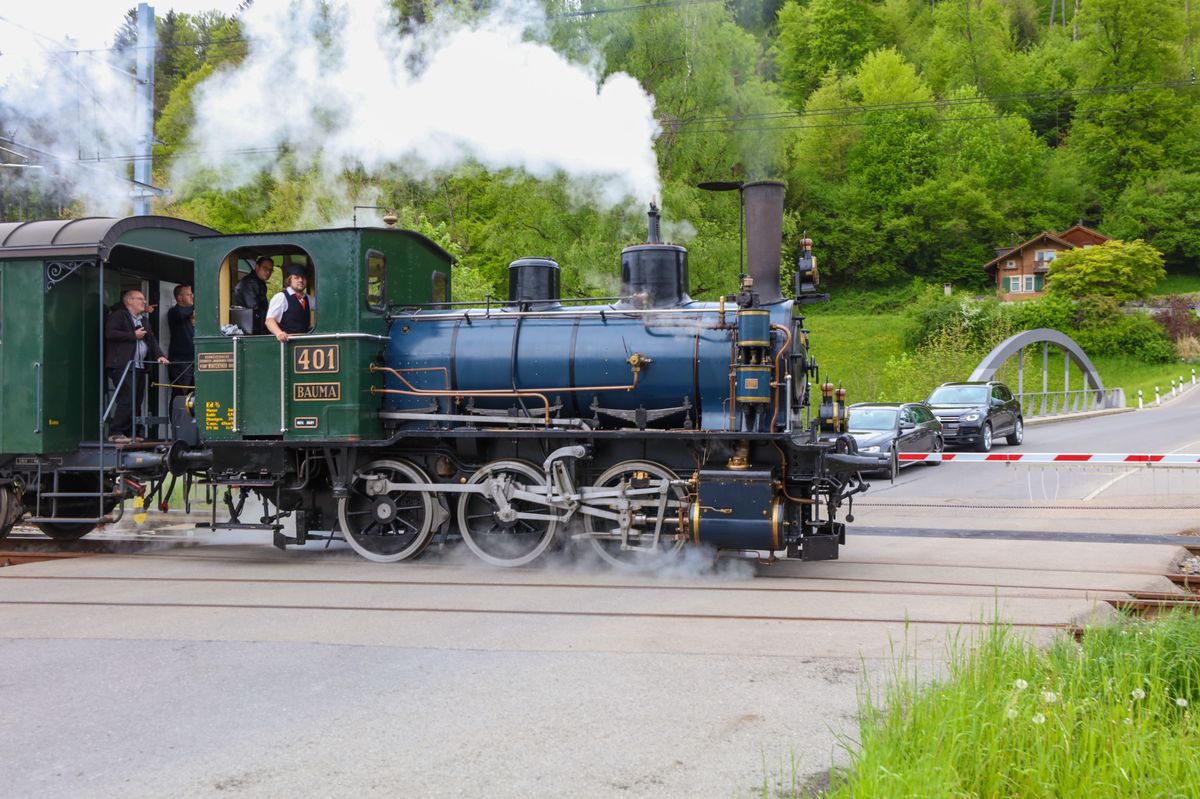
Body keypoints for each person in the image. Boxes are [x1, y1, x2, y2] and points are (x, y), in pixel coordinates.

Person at [105, 288, 169, 443]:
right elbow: (110, 333)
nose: (144, 301)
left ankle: (133, 432)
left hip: (139, 366)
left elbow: (151, 340)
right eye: (140, 299)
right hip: (123, 365)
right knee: (127, 398)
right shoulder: (119, 315)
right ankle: (116, 432)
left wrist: (159, 355)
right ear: (129, 301)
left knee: (137, 400)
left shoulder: (143, 319)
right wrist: (132, 336)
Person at [265, 264, 315, 342]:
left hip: (304, 342)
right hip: (287, 343)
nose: (301, 280)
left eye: (303, 277)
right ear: (289, 280)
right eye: (296, 278)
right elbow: (269, 320)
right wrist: (279, 333)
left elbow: (322, 307)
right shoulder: (281, 297)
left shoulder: (308, 298)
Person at [166, 284, 195, 397]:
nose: (192, 297)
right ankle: (176, 416)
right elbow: (182, 314)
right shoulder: (174, 311)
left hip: (194, 360)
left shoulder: (190, 313)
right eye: (188, 295)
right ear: (180, 298)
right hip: (180, 361)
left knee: (193, 395)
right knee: (181, 394)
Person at [233, 256, 274, 335]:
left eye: (270, 270)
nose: (268, 272)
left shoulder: (259, 282)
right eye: (265, 268)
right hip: (249, 326)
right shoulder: (249, 283)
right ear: (257, 267)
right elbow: (254, 308)